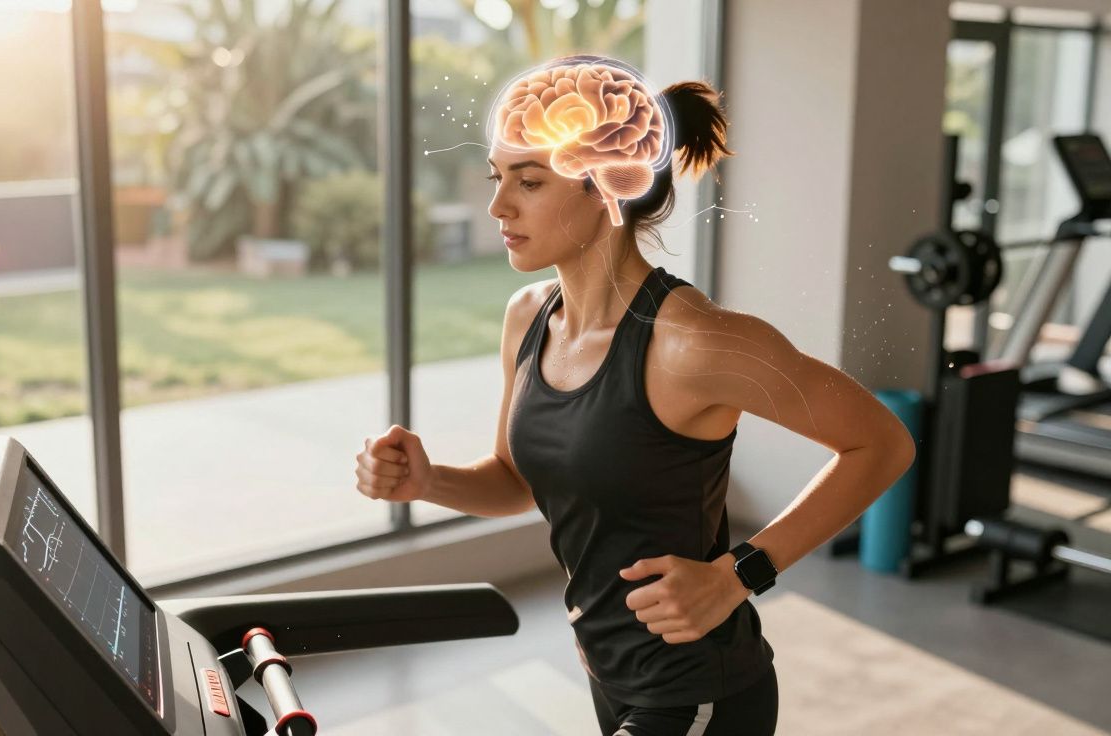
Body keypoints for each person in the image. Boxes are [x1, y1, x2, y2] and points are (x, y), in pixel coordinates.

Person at [353, 55, 915, 736]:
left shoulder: (695, 343)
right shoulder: (529, 317)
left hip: (696, 690)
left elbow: (880, 442)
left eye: (528, 182)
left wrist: (740, 574)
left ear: (607, 188)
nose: (499, 205)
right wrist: (427, 480)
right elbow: (514, 482)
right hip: (607, 675)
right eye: (498, 178)